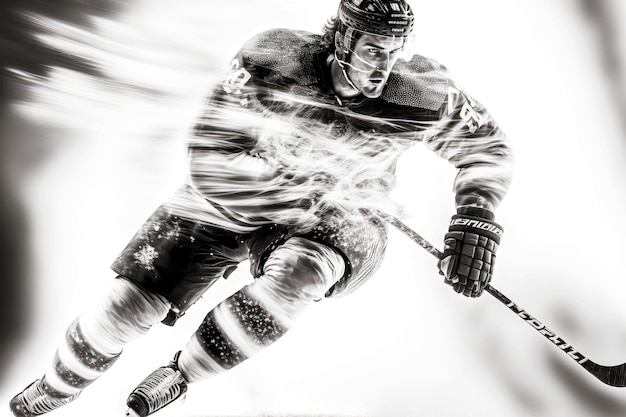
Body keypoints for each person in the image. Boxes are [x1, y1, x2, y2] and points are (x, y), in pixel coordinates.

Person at [9, 0, 513, 416]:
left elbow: (486, 148)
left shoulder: (425, 93)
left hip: (343, 213)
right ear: (342, 40)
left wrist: (476, 217)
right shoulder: (272, 59)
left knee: (303, 272)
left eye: (394, 51)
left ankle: (184, 373)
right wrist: (284, 186)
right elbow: (208, 154)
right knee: (125, 306)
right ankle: (59, 384)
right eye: (373, 50)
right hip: (240, 184)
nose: (382, 67)